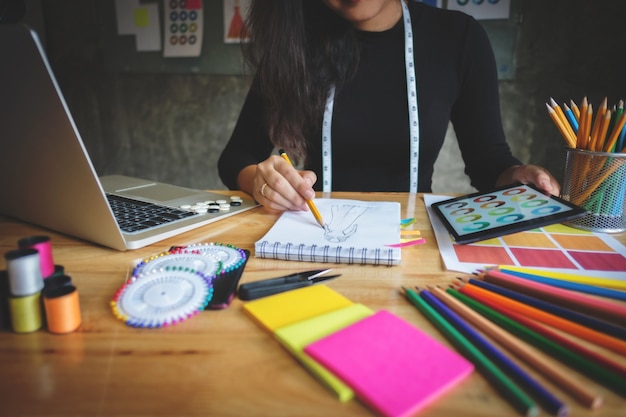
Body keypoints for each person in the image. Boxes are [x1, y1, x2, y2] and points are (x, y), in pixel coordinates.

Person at [218, 0, 560, 214]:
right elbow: (237, 156)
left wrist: (516, 177)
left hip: (414, 239)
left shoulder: (458, 38)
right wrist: (262, 182)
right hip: (316, 234)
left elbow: (489, 163)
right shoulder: (295, 44)